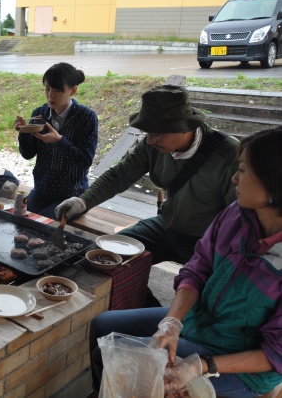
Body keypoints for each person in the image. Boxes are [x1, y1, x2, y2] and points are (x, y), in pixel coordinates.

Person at [88, 126, 282, 397]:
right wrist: (173, 322)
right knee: (103, 325)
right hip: (200, 323)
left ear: (274, 182)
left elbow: (276, 353)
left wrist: (201, 365)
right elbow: (198, 269)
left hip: (240, 362)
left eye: (244, 170)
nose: (235, 179)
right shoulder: (236, 215)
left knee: (124, 360)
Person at [55, 84, 239, 306]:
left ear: (184, 128)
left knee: (208, 300)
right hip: (166, 227)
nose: (150, 141)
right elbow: (120, 174)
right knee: (99, 258)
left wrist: (221, 261)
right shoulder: (153, 144)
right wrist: (83, 201)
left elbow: (239, 219)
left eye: (156, 134)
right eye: (148, 134)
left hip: (207, 240)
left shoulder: (229, 154)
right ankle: (146, 309)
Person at [14, 62, 98, 219]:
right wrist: (24, 132)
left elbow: (85, 160)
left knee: (43, 224)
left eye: (57, 90)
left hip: (71, 194)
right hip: (42, 189)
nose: (50, 95)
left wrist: (60, 140)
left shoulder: (86, 117)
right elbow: (28, 154)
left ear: (73, 90)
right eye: (47, 88)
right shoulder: (40, 113)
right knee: (19, 216)